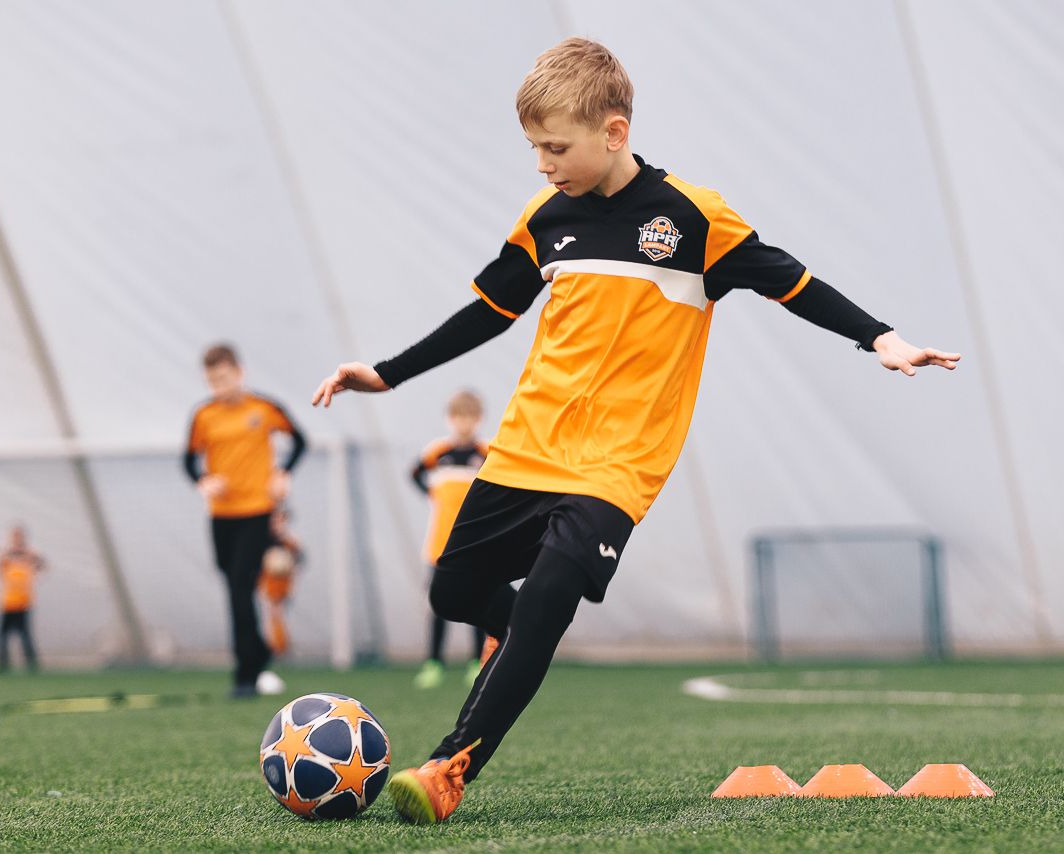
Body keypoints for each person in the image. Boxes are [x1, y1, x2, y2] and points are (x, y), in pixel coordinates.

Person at [310, 37, 960, 823]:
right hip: (526, 448)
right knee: (453, 591)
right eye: (534, 148)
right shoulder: (544, 220)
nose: (542, 165)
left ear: (613, 132)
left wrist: (880, 337)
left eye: (556, 148)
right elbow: (489, 311)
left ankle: (450, 766)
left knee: (548, 595)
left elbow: (792, 282)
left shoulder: (694, 217)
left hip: (618, 466)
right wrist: (388, 372)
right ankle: (519, 645)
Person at [185, 343, 306, 698]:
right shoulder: (204, 415)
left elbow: (300, 441)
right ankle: (260, 652)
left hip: (257, 511)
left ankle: (245, 674)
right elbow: (189, 460)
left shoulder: (264, 408)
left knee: (240, 585)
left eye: (223, 378)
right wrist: (204, 481)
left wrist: (283, 472)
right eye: (212, 381)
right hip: (222, 516)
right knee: (234, 585)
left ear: (240, 373)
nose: (218, 387)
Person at [410, 390, 489, 689]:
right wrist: (432, 494)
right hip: (439, 544)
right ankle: (434, 663)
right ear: (449, 418)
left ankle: (477, 662)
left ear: (478, 419)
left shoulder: (486, 453)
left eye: (469, 416)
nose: (463, 423)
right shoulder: (437, 452)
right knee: (437, 603)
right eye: (458, 416)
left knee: (478, 604)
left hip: (475, 543)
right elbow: (414, 473)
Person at [0, 524, 44, 673]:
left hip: (23, 602)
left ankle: (31, 664)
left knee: (25, 635)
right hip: (7, 602)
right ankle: (3, 665)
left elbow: (41, 564)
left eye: (19, 536)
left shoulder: (30, 556)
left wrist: (26, 554)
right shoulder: (6, 556)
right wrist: (11, 553)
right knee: (2, 636)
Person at [258, 506, 303, 656]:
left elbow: (298, 562)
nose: (279, 524)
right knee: (271, 613)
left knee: (278, 612)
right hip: (268, 581)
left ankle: (279, 646)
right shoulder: (265, 539)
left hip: (283, 582)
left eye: (282, 520)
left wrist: (294, 581)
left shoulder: (291, 542)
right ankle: (275, 645)